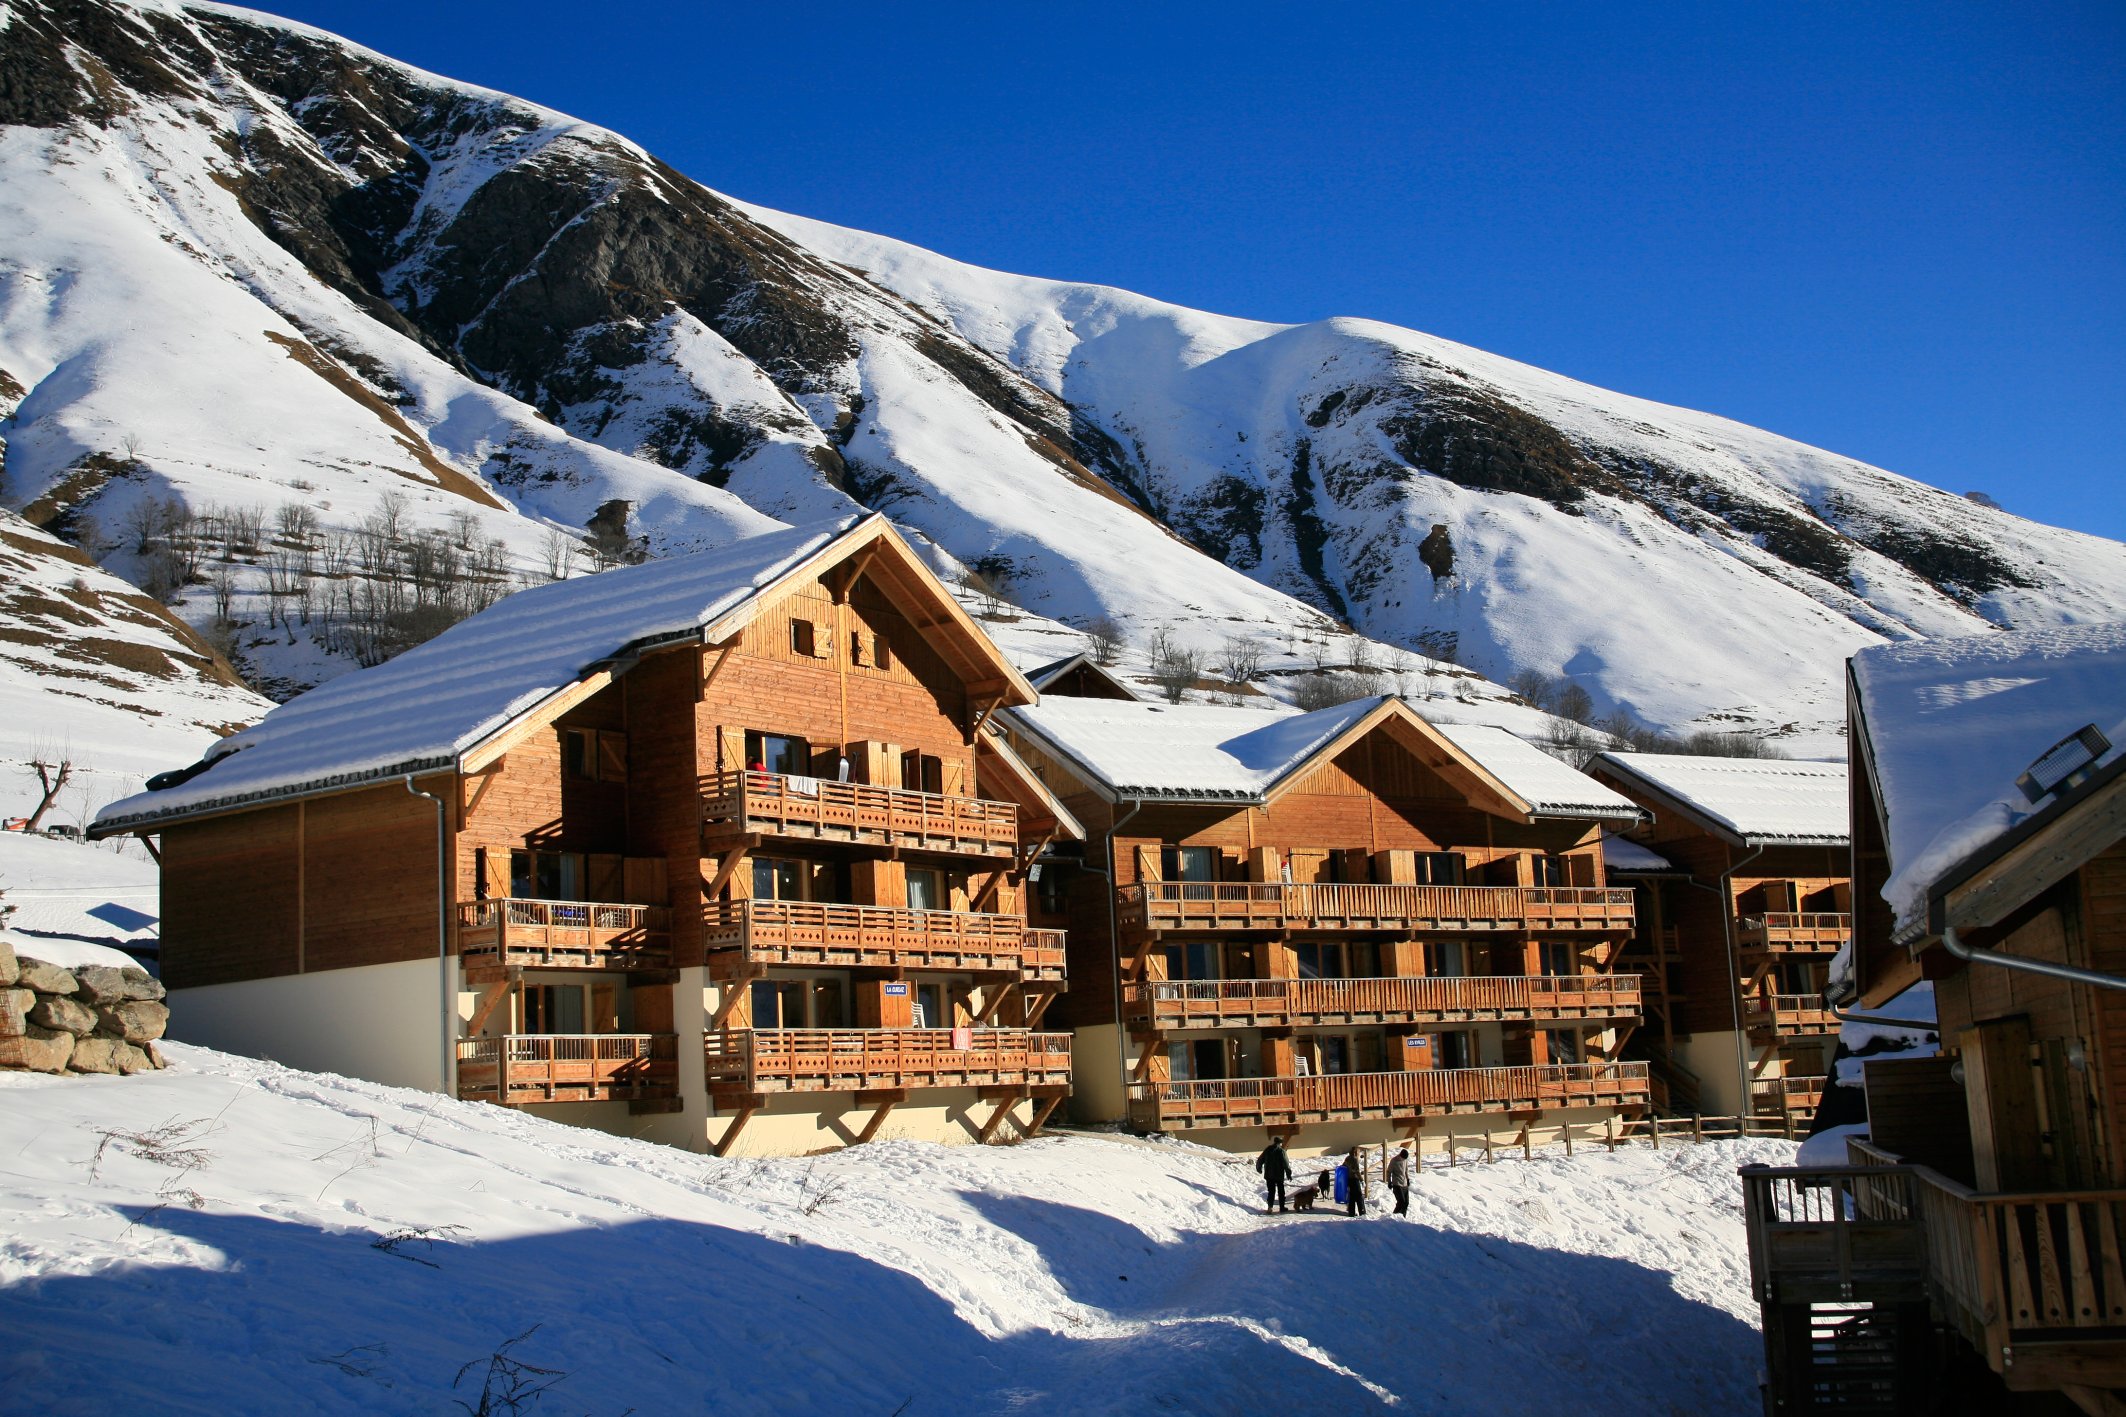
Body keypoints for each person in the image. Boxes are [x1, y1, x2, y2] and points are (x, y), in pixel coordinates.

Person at [1254, 1136, 1292, 1213]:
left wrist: (1259, 1168)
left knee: (1271, 1191)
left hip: (1269, 1175)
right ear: (1280, 1143)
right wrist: (1288, 1174)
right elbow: (1286, 1164)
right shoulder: (1281, 1151)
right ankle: (1282, 1207)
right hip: (1279, 1175)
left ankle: (1270, 1207)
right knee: (1281, 1191)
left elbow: (1260, 1159)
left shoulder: (1268, 1149)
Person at [1387, 1142, 1413, 1215]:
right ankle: (1394, 1216)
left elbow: (1406, 1170)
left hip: (1404, 1184)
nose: (1404, 1159)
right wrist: (1389, 1182)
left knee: (1406, 1203)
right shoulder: (1394, 1161)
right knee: (1401, 1202)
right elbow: (1389, 1172)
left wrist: (1407, 1179)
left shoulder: (1405, 1160)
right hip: (1397, 1184)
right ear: (1400, 1155)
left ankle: (1403, 1218)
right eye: (1403, 1158)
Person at [1342, 1146, 1367, 1217]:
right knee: (1359, 1196)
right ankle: (1362, 1212)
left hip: (1349, 1179)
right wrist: (1362, 1180)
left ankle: (1351, 1212)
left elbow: (1343, 1166)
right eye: (1359, 1152)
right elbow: (1357, 1171)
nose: (1359, 1154)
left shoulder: (1347, 1158)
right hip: (1355, 1179)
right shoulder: (1355, 1160)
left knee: (1352, 1197)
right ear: (1356, 1152)